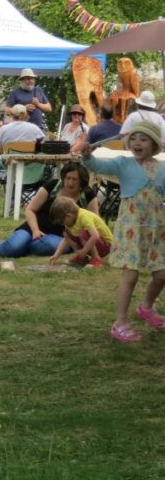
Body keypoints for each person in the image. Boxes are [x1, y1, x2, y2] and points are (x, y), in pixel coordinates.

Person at [81, 122, 165, 342]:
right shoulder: (122, 164)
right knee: (131, 275)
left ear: (154, 144)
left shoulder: (162, 168)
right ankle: (120, 322)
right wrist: (88, 156)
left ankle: (146, 307)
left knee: (162, 274)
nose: (137, 143)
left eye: (144, 139)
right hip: (132, 231)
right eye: (134, 138)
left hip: (157, 231)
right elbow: (97, 165)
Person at [0, 161, 100, 258]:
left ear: (81, 181)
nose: (70, 183)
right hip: (34, 228)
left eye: (74, 179)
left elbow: (95, 221)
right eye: (67, 178)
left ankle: (19, 248)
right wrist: (36, 230)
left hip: (62, 237)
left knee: (51, 246)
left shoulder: (87, 195)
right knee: (16, 246)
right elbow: (30, 209)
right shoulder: (52, 186)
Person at [48, 196, 113, 266]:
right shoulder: (70, 222)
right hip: (95, 244)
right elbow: (66, 240)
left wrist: (83, 251)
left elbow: (95, 236)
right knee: (67, 234)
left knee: (82, 234)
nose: (62, 224)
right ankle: (83, 258)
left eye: (61, 222)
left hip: (106, 246)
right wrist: (56, 255)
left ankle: (96, 258)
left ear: (68, 216)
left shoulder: (84, 216)